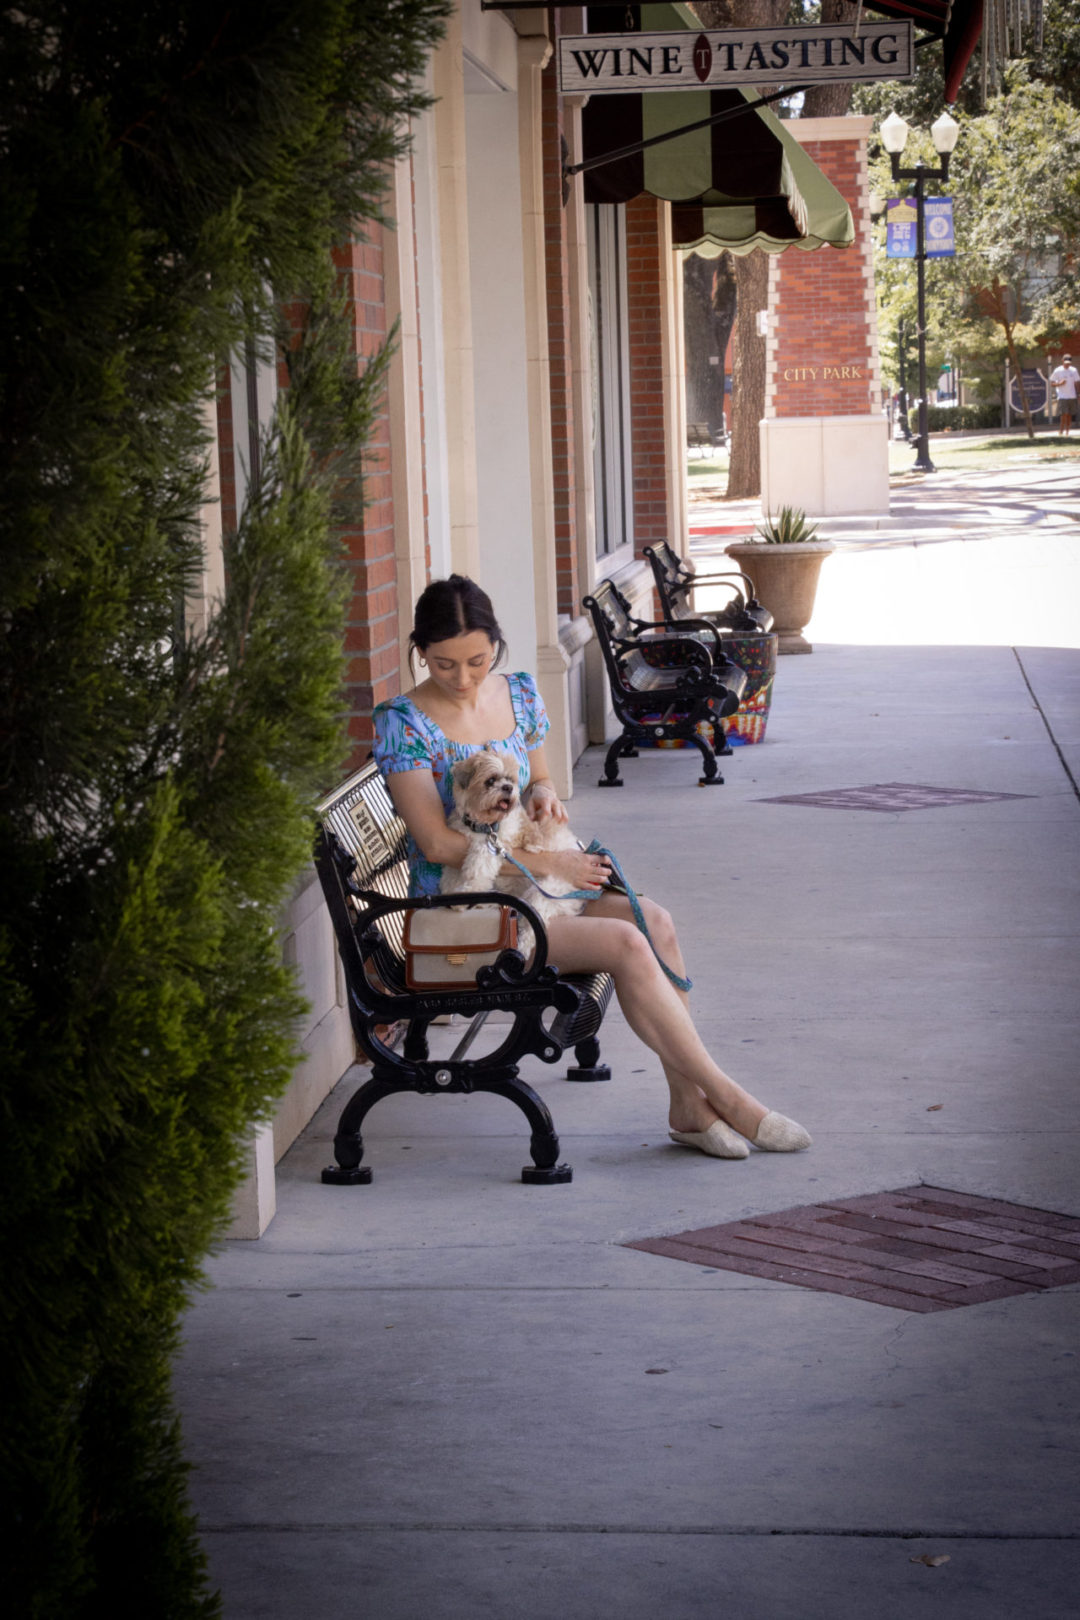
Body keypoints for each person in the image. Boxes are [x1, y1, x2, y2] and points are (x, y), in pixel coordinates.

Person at [372, 574, 811, 1161]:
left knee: (654, 922)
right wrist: (550, 860)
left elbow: (543, 778)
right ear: (420, 651)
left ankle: (687, 1104)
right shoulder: (404, 721)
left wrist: (544, 796)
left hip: (540, 890)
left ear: (495, 645)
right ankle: (731, 1099)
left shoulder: (520, 695)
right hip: (473, 915)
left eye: (477, 661)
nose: (463, 678)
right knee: (625, 944)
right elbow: (436, 845)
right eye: (444, 664)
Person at [1049, 353, 1079, 437]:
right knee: (1063, 415)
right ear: (1062, 361)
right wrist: (1059, 383)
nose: (1067, 364)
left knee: (1069, 415)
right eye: (1065, 363)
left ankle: (1067, 433)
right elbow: (1052, 383)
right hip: (1062, 396)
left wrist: (1078, 394)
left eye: (1068, 363)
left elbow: (1077, 382)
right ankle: (1061, 432)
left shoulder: (1073, 370)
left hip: (1072, 396)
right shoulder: (1058, 370)